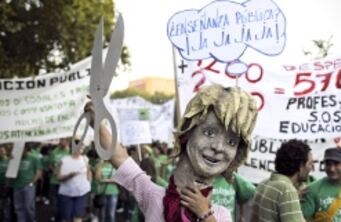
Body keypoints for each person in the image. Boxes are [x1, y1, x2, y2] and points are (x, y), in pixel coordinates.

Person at [84, 84, 258, 222]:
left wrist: (205, 215)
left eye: (231, 142)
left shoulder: (221, 215)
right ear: (187, 133)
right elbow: (119, 157)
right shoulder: (153, 196)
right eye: (209, 132)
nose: (219, 147)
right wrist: (97, 120)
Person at [251, 139, 313, 222]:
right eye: (310, 163)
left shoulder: (264, 183)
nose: (311, 168)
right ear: (301, 165)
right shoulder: (286, 190)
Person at [57, 143, 92, 222]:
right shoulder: (64, 160)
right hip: (67, 193)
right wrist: (69, 176)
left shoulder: (85, 159)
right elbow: (58, 177)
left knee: (78, 216)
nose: (81, 149)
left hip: (82, 192)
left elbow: (89, 173)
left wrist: (88, 185)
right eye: (80, 147)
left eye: (82, 147)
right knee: (67, 217)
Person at [11, 143, 42, 222]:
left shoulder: (34, 158)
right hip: (17, 185)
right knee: (18, 207)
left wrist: (31, 183)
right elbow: (11, 172)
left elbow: (39, 172)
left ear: (26, 148)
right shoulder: (16, 158)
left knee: (29, 207)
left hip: (28, 186)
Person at [48, 137, 70, 221]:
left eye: (64, 140)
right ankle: (57, 216)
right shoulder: (54, 152)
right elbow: (50, 164)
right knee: (54, 202)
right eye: (61, 140)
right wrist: (53, 170)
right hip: (54, 181)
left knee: (64, 201)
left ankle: (63, 217)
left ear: (67, 141)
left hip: (65, 181)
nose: (62, 142)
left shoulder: (70, 152)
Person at [0, 144, 11, 221]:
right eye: (0, 151)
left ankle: (6, 219)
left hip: (6, 184)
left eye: (2, 151)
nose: (1, 152)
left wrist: (8, 182)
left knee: (6, 203)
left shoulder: (9, 161)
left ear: (5, 152)